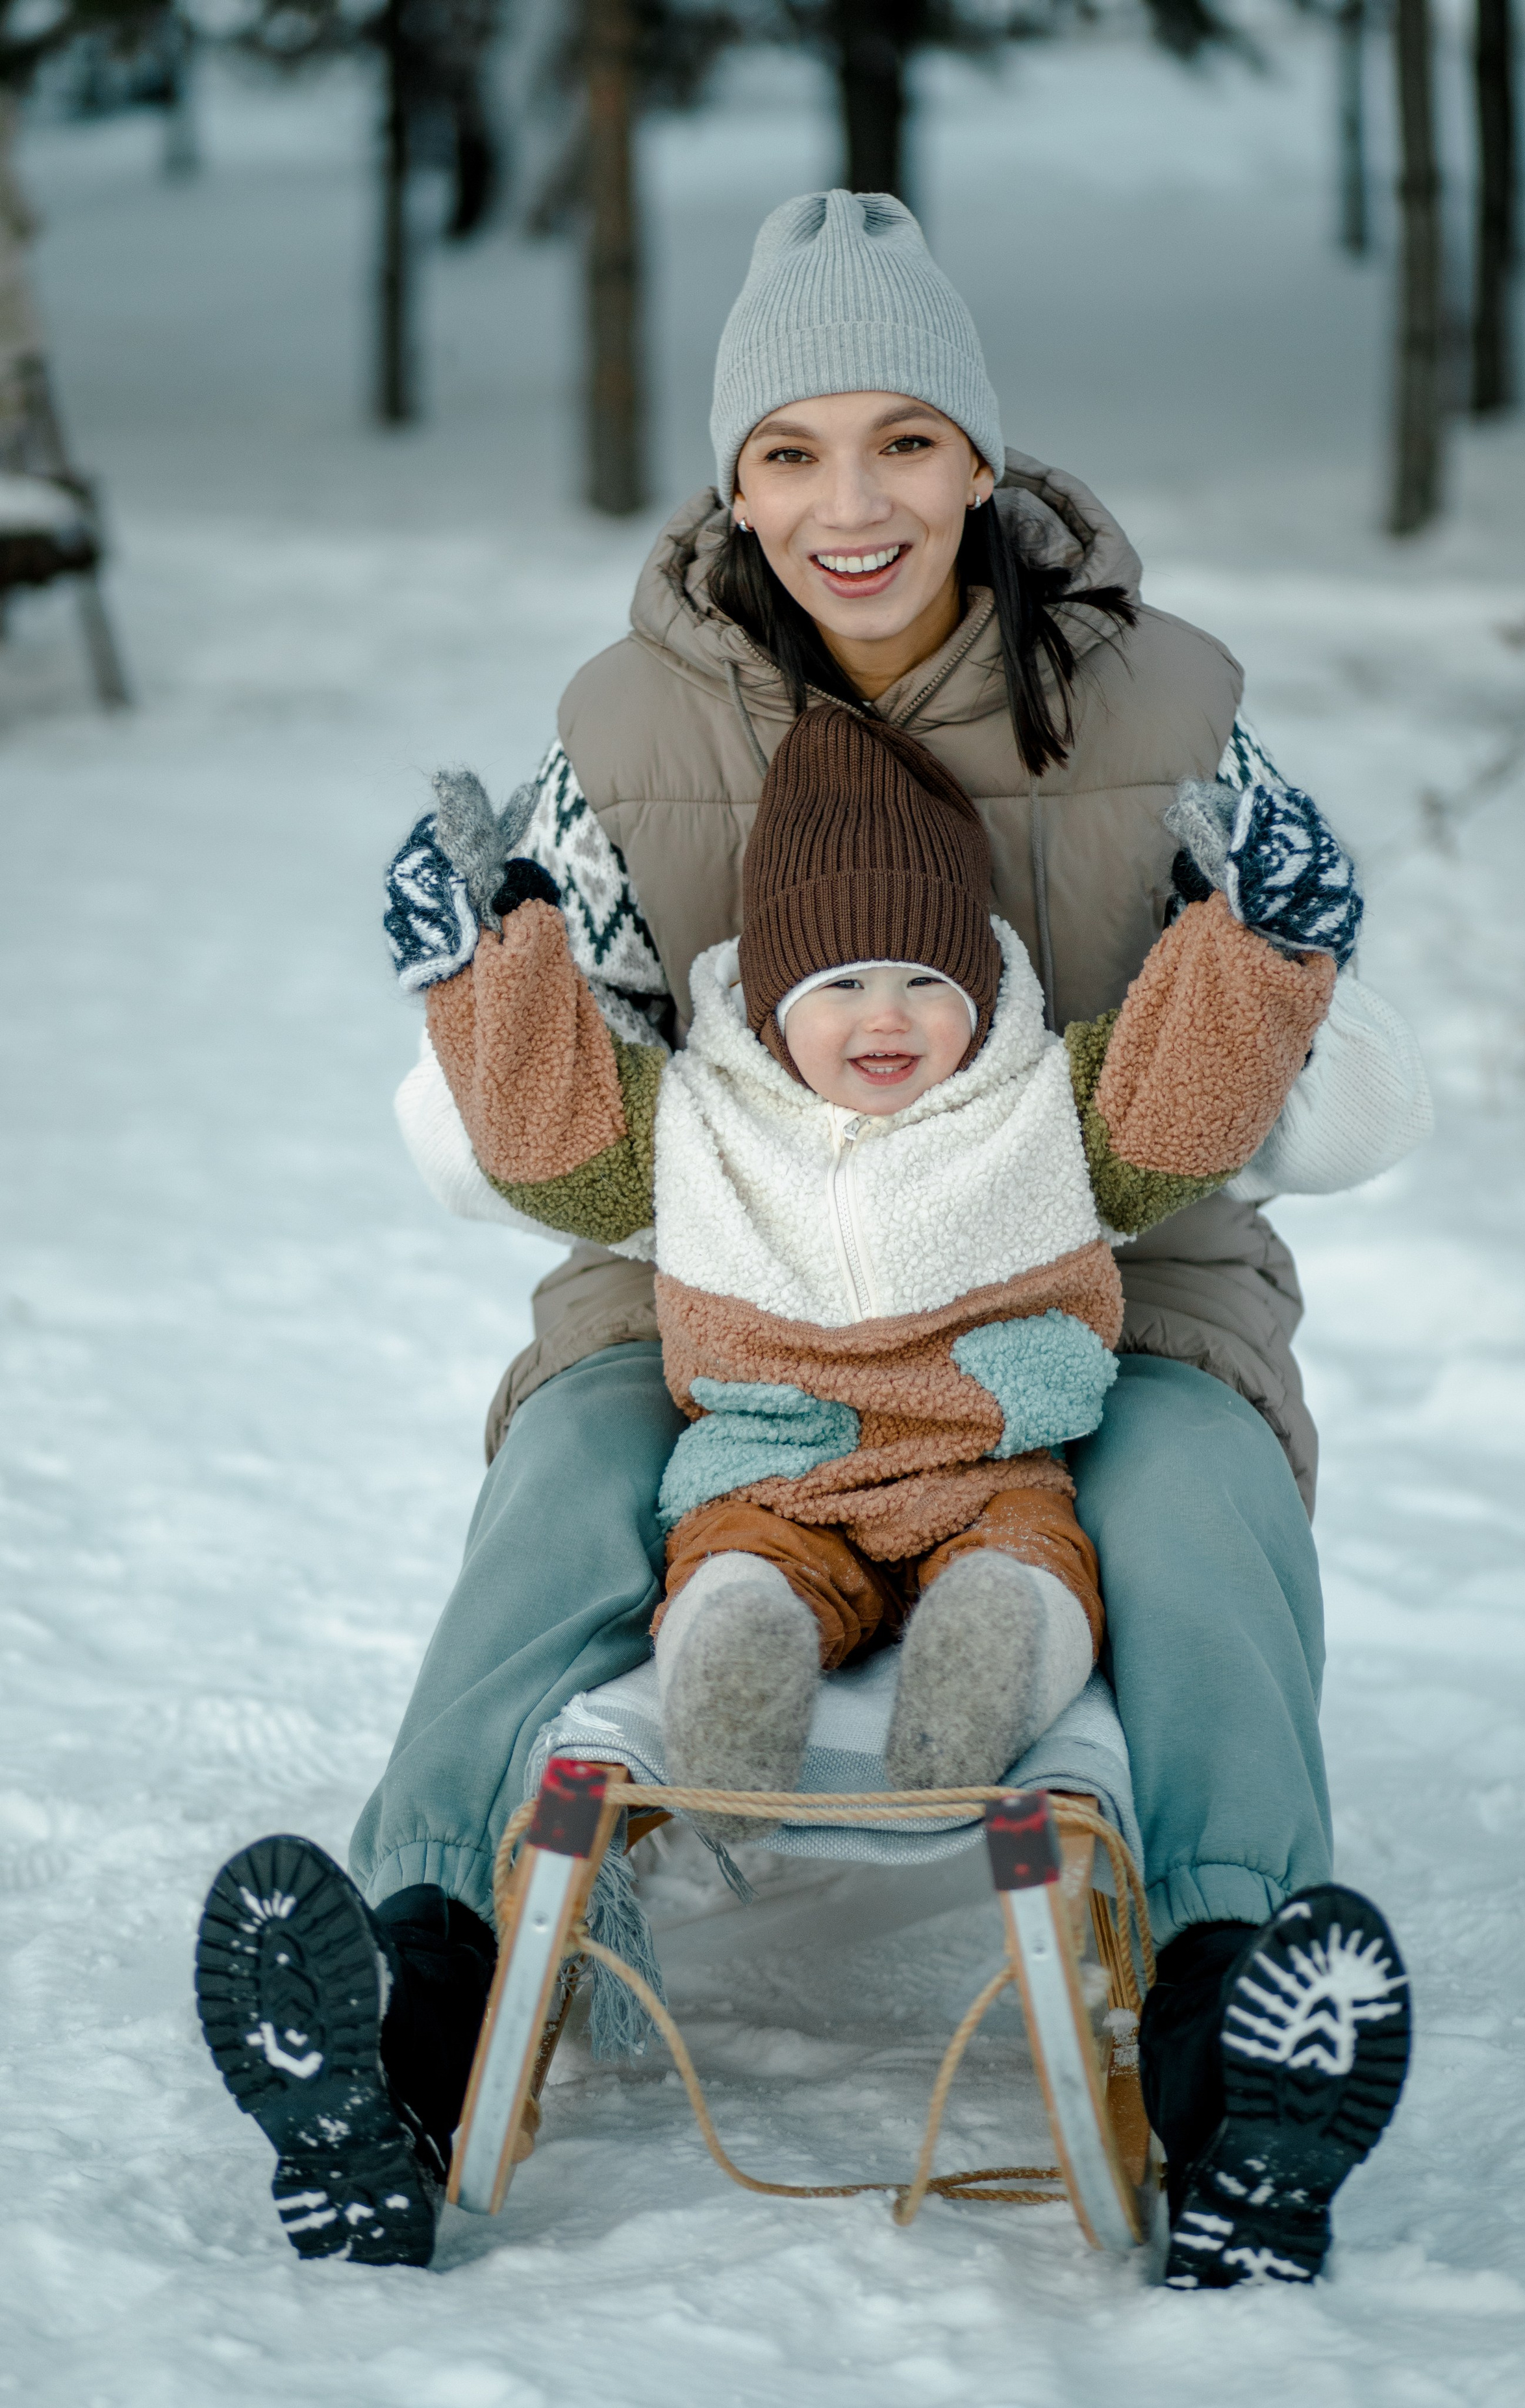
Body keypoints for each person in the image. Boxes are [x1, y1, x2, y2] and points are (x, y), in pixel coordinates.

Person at [194, 189, 1430, 2285]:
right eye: (787, 452)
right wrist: (488, 999)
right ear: (731, 477)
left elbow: (1363, 1076)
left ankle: (1241, 2046)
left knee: (1199, 1502)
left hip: (1097, 1284)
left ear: (982, 454)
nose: (848, 505)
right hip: (725, 1289)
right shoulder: (632, 734)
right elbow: (524, 1126)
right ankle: (410, 1993)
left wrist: (1253, 1015)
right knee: (571, 1477)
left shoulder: (1160, 705)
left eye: (904, 441)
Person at [404, 698, 1334, 1837]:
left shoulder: (1037, 1103)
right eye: (840, 986)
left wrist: (1256, 949)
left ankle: (979, 1684)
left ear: (980, 988)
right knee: (737, 1576)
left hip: (991, 1469)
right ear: (773, 1004)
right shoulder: (701, 1120)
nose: (885, 1018)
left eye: (923, 982)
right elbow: (554, 1139)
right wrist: (489, 966)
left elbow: (1181, 1106)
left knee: (1029, 1576)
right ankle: (736, 1691)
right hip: (771, 1472)